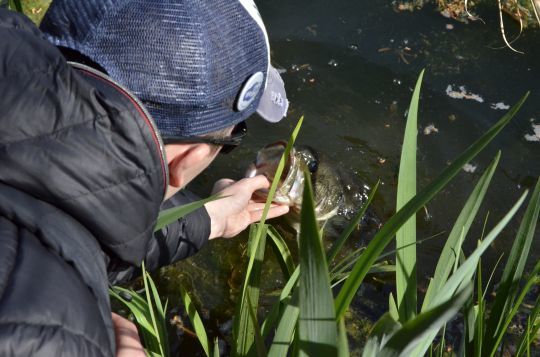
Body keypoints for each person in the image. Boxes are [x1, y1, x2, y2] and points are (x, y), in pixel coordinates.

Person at [0, 1, 289, 356]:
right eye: (233, 138)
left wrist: (210, 216)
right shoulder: (53, 336)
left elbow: (69, 222)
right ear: (187, 160)